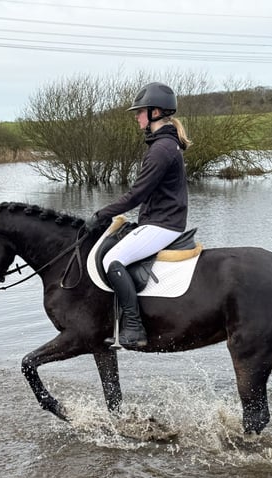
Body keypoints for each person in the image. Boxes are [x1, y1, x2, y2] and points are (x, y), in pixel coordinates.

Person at [85, 82, 191, 349]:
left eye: (140, 111)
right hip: (161, 220)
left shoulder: (161, 149)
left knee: (113, 259)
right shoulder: (164, 144)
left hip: (163, 224)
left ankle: (133, 325)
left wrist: (101, 214)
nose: (136, 116)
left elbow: (136, 195)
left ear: (155, 112)